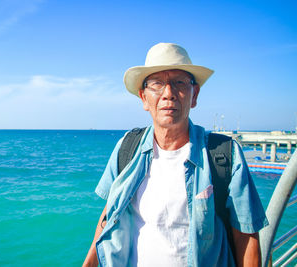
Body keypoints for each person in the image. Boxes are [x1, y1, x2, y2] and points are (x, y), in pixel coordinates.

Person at [83, 43, 268, 267]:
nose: (168, 94)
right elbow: (107, 219)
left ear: (194, 94)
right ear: (143, 97)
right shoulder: (126, 148)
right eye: (157, 84)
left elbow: (246, 237)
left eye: (179, 83)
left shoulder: (224, 155)